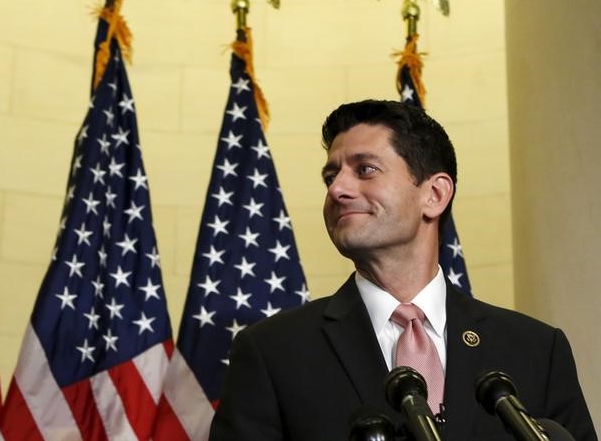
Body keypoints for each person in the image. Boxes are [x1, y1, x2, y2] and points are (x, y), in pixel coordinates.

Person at [209, 100, 597, 440]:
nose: (337, 189)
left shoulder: (536, 350)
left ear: (434, 194)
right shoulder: (272, 352)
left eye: (365, 170)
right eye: (331, 176)